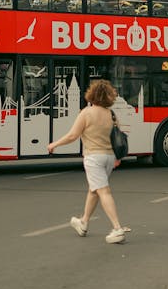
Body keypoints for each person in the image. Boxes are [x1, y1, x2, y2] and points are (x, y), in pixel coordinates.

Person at [48, 79, 129, 244]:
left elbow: (72, 135)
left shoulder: (86, 112)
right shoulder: (111, 114)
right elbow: (118, 137)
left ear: (91, 94)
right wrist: (118, 158)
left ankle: (117, 228)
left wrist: (54, 144)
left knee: (103, 191)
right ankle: (83, 222)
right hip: (109, 157)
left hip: (93, 157)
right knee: (95, 190)